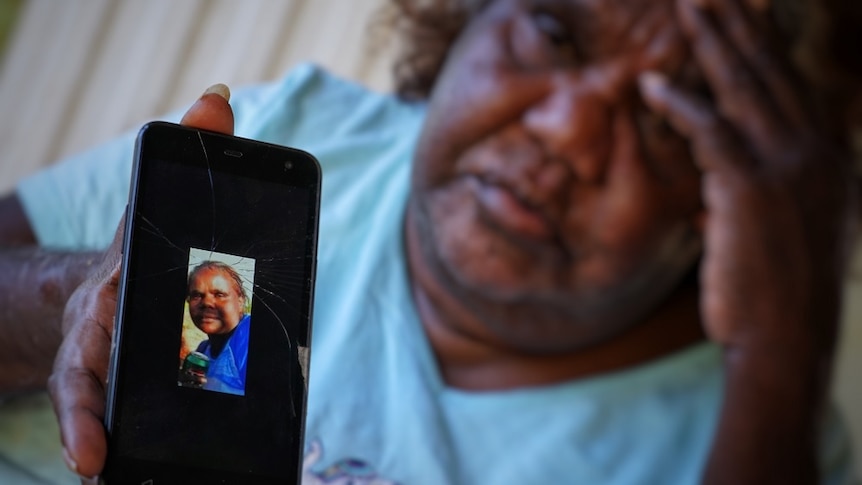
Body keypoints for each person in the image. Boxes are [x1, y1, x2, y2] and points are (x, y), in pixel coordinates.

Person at [0, 0, 860, 483]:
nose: (568, 131)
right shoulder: (295, 131)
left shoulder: (756, 437)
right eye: (554, 33)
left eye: (672, 121)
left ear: (743, 205)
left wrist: (782, 356)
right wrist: (94, 299)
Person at [180, 261, 251, 395]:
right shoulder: (203, 349)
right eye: (197, 295)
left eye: (219, 294)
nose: (206, 303)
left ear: (240, 301)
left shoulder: (247, 337)